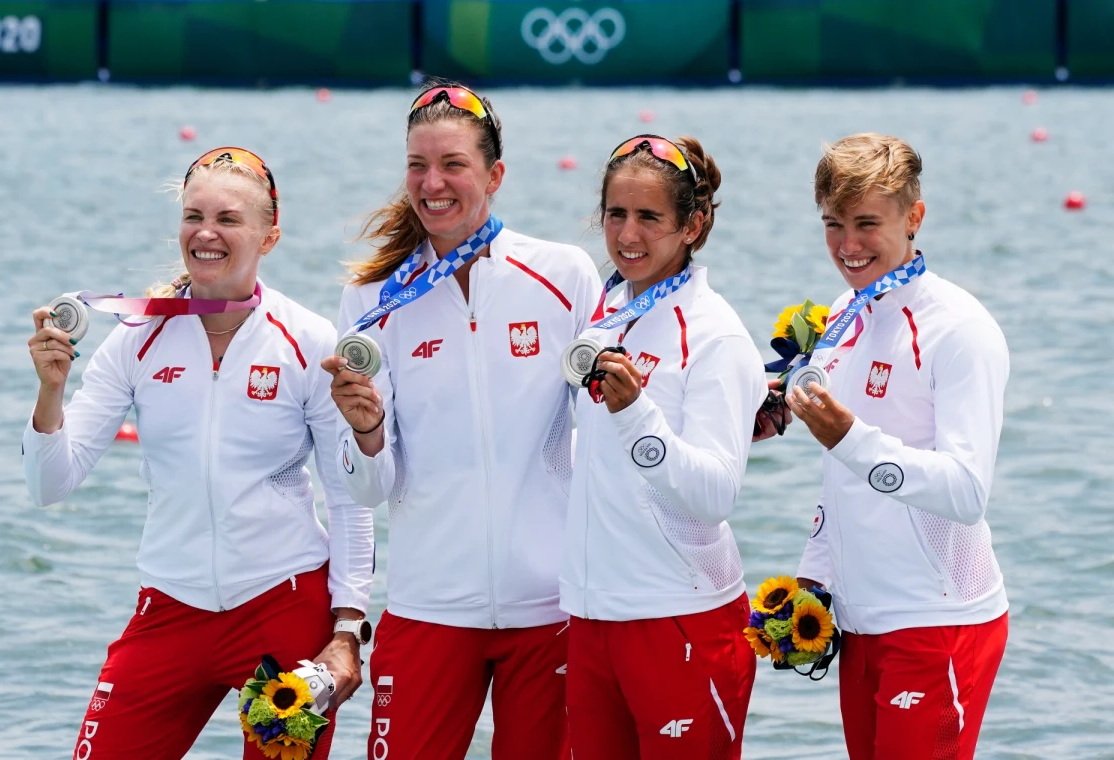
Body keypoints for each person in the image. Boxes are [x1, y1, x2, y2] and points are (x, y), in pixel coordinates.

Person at [23, 148, 374, 760]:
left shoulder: (308, 341)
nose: (206, 233)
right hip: (169, 611)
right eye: (193, 216)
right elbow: (50, 484)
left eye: (228, 219)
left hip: (281, 611)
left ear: (270, 235)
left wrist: (347, 630)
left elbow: (348, 500)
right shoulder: (138, 337)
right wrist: (50, 390)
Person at [320, 81, 601, 760]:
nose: (431, 183)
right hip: (428, 608)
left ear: (495, 175)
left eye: (453, 165)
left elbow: (605, 437)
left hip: (551, 609)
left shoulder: (563, 275)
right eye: (417, 165)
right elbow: (366, 488)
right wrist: (365, 433)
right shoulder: (370, 299)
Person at [783, 133, 1009, 759]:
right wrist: (814, 576)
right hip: (860, 621)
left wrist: (852, 439)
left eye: (865, 224)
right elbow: (841, 479)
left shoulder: (960, 330)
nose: (847, 247)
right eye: (832, 225)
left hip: (939, 622)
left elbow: (965, 492)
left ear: (913, 217)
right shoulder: (844, 315)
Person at [559, 135, 766, 760]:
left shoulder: (715, 333)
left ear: (692, 225)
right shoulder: (604, 313)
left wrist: (636, 415)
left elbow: (714, 494)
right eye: (616, 214)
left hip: (682, 617)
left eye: (649, 217)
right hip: (592, 618)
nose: (627, 234)